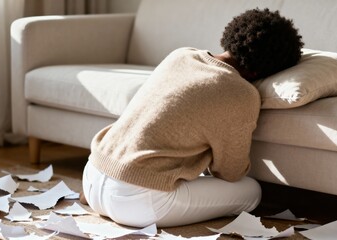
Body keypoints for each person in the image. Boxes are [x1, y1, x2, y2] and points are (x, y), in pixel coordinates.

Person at [81, 8, 304, 228]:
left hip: (93, 174)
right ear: (264, 71)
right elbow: (230, 172)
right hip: (136, 202)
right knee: (251, 191)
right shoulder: (242, 94)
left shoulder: (181, 54)